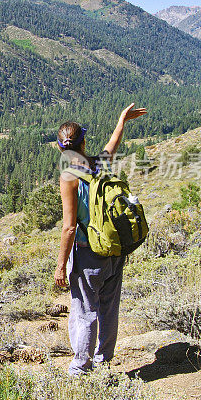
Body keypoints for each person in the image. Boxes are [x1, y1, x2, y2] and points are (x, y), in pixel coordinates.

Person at [54, 103, 147, 375]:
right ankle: (103, 362)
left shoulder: (68, 176)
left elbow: (69, 227)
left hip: (88, 252)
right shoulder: (98, 164)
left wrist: (61, 266)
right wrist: (122, 120)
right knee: (108, 307)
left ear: (61, 148)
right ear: (83, 144)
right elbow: (112, 145)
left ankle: (80, 369)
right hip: (114, 248)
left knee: (84, 310)